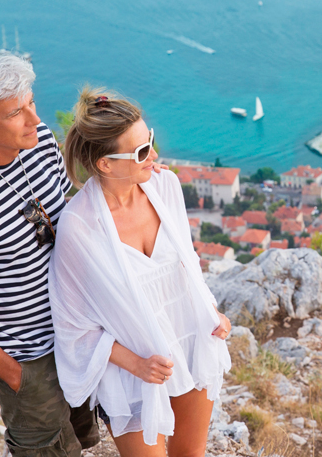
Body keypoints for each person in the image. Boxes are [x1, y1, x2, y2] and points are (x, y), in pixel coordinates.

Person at [0, 53, 126, 456]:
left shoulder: (39, 147)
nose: (35, 120)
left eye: (32, 103)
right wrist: (16, 375)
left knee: (84, 434)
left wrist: (133, 174)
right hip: (21, 353)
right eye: (16, 112)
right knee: (47, 449)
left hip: (73, 330)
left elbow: (73, 217)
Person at [48, 88, 232, 457]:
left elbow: (186, 262)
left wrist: (209, 308)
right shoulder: (79, 228)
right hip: (133, 372)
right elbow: (72, 326)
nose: (156, 156)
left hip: (191, 342)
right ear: (105, 164)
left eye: (150, 141)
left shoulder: (165, 186)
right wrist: (138, 364)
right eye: (142, 152)